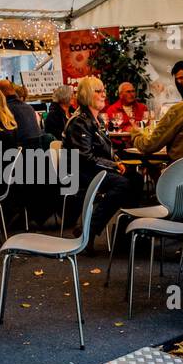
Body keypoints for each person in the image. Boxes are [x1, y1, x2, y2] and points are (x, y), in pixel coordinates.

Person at [63, 75, 139, 249]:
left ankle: (125, 235)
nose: (104, 94)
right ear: (88, 94)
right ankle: (88, 230)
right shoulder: (79, 121)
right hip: (78, 173)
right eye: (99, 91)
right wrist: (114, 165)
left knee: (135, 179)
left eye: (103, 90)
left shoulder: (97, 120)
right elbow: (85, 157)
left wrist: (117, 161)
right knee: (123, 184)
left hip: (93, 170)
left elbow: (106, 152)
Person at [0, 79, 44, 146]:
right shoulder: (29, 108)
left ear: (0, 93)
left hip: (18, 152)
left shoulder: (5, 109)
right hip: (37, 151)